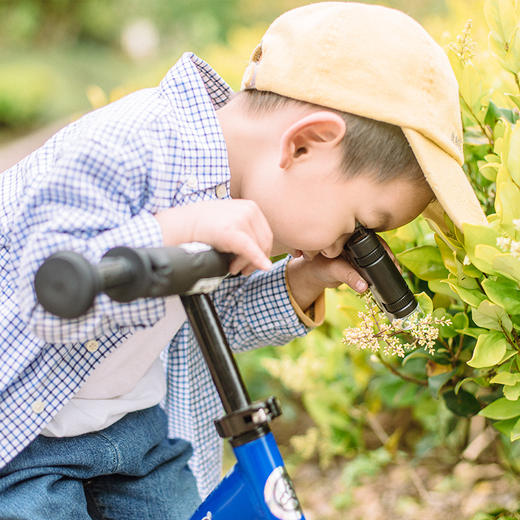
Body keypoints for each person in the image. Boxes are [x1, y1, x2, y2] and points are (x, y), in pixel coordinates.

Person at [0, 2, 487, 519]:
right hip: (26, 437)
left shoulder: (232, 190)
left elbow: (203, 322)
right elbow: (47, 289)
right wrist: (177, 231)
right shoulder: (126, 144)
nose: (335, 245)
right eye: (356, 224)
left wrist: (303, 279)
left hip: (138, 435)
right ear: (304, 146)